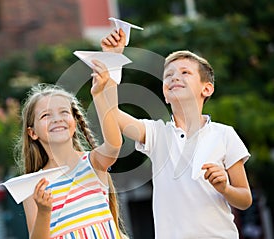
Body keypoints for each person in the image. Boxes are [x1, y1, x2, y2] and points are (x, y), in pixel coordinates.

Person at [100, 29, 253, 238]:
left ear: (206, 89)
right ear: (165, 94)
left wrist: (225, 187)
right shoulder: (156, 134)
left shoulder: (225, 135)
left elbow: (244, 199)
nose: (174, 78)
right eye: (168, 75)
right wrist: (113, 59)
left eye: (185, 72)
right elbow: (110, 111)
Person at [14, 60, 128, 239]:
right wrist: (44, 211)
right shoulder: (34, 186)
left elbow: (114, 144)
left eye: (64, 112)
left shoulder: (93, 163)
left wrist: (98, 94)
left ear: (74, 123)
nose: (57, 119)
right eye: (45, 115)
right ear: (32, 132)